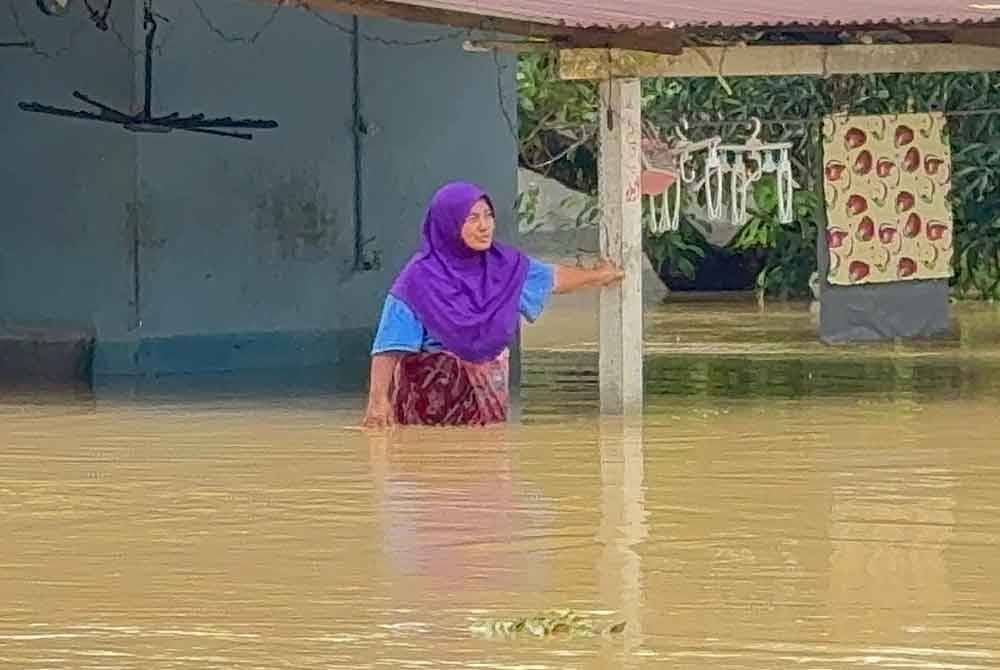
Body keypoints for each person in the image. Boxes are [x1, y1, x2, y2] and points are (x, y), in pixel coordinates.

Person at [362, 181, 624, 428]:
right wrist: (377, 401)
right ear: (448, 224)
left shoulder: (504, 267)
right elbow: (389, 346)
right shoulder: (418, 279)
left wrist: (599, 276)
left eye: (488, 216)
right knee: (433, 466)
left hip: (488, 410)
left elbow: (551, 278)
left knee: (489, 465)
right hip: (428, 411)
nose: (484, 226)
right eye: (472, 218)